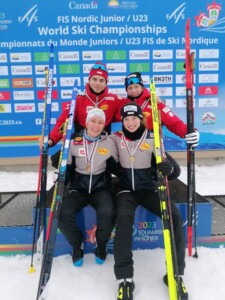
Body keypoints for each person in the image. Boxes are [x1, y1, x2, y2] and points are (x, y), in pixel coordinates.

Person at [110, 103, 188, 300]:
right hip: (127, 190)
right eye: (126, 119)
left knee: (174, 217)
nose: (130, 122)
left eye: (134, 118)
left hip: (150, 189)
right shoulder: (115, 139)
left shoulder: (154, 139)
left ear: (141, 119)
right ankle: (124, 278)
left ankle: (176, 274)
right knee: (123, 220)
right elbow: (92, 146)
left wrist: (167, 169)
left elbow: (175, 171)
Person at [58, 108, 119, 267]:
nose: (96, 125)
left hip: (101, 187)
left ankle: (101, 244)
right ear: (86, 122)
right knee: (63, 214)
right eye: (93, 121)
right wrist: (61, 176)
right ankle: (77, 244)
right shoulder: (73, 141)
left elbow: (122, 162)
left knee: (108, 212)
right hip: (79, 187)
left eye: (100, 122)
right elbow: (65, 166)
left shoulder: (110, 142)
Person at [42, 62, 125, 149]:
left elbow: (134, 109)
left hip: (103, 143)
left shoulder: (114, 100)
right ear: (89, 80)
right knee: (55, 160)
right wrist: (51, 139)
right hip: (80, 142)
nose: (97, 83)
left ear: (106, 82)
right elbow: (63, 123)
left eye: (101, 80)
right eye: (94, 79)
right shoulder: (78, 99)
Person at [123, 72, 199, 147]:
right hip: (129, 147)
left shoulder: (155, 102)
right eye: (130, 88)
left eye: (136, 87)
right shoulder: (124, 105)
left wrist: (189, 132)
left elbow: (174, 123)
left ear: (142, 87)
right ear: (126, 90)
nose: (133, 91)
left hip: (151, 145)